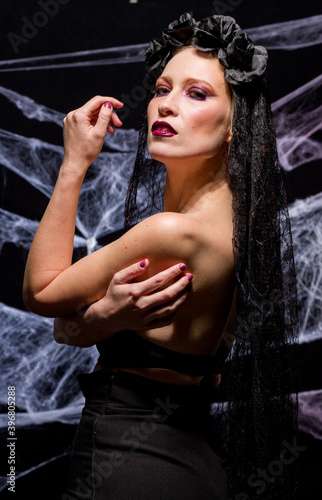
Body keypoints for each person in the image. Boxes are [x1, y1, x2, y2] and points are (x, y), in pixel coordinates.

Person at [23, 13, 298, 500]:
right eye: (162, 88)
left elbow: (43, 293)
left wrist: (74, 164)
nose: (165, 106)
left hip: (129, 461)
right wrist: (100, 318)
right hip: (190, 462)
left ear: (236, 127)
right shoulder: (241, 230)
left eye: (197, 94)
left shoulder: (174, 232)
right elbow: (205, 366)